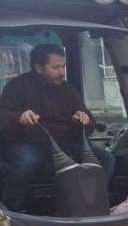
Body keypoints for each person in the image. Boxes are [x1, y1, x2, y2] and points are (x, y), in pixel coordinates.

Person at [0, 43, 116, 212]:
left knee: (107, 159)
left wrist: (83, 120)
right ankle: (11, 211)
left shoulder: (68, 90)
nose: (62, 72)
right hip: (28, 143)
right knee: (28, 161)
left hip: (66, 146)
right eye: (56, 67)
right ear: (38, 67)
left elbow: (90, 123)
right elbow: (3, 115)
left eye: (63, 67)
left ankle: (93, 203)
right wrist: (19, 117)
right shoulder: (17, 87)